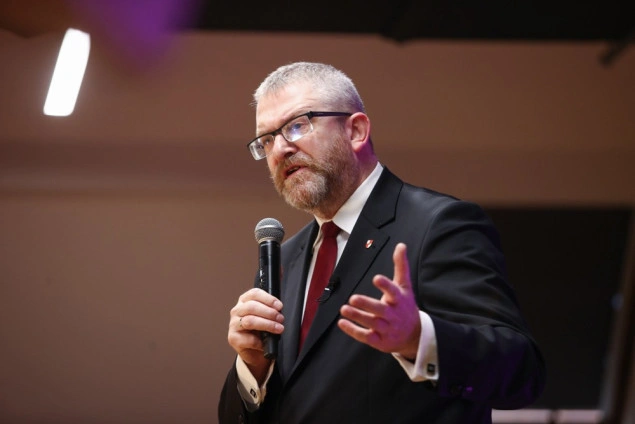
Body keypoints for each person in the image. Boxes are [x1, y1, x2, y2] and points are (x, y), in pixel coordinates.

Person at [218, 62, 545, 424]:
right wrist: (253, 367)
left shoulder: (438, 225)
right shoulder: (284, 258)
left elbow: (521, 371)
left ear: (356, 130)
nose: (279, 149)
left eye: (297, 125)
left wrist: (419, 339)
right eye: (266, 140)